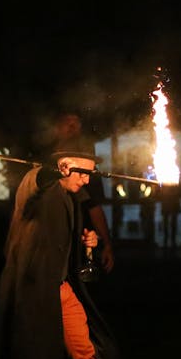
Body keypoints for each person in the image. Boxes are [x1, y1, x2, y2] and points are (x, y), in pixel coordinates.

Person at [0, 135, 127, 359]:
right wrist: (56, 170)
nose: (86, 180)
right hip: (32, 286)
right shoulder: (37, 181)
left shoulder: (72, 195)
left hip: (62, 287)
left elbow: (63, 237)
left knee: (84, 350)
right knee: (28, 355)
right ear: (64, 166)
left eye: (90, 174)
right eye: (82, 172)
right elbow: (39, 181)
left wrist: (88, 242)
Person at [42, 112, 115, 274]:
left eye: (77, 123)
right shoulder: (43, 173)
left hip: (72, 258)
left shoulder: (83, 179)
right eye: (68, 122)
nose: (73, 127)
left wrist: (105, 243)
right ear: (57, 128)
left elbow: (94, 207)